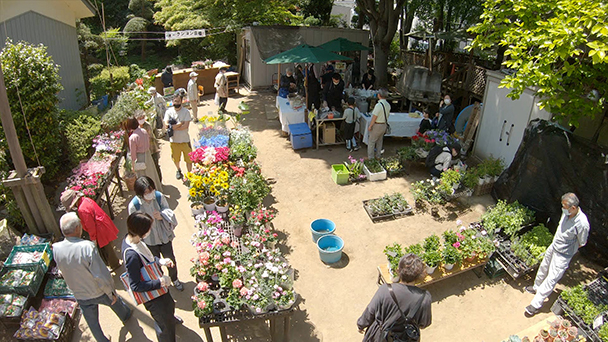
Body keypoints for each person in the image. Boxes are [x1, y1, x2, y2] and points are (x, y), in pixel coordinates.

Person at [53, 213, 132, 342]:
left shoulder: (56, 249)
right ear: (78, 228)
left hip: (80, 294)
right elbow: (100, 275)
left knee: (93, 324)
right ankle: (126, 315)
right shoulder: (87, 247)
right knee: (115, 302)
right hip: (98, 291)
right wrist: (110, 291)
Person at [525, 193, 590, 317]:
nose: (563, 208)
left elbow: (582, 242)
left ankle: (536, 304)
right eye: (562, 206)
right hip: (554, 246)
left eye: (565, 206)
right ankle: (536, 287)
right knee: (544, 266)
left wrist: (568, 250)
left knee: (551, 278)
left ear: (574, 208)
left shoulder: (582, 223)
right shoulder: (567, 213)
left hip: (563, 255)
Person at [122, 212, 180, 342]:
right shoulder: (131, 255)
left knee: (169, 305)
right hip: (153, 296)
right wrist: (160, 282)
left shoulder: (134, 240)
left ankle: (171, 318)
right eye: (148, 228)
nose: (150, 230)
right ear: (141, 231)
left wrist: (159, 261)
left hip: (160, 290)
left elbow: (146, 257)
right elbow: (135, 285)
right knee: (163, 324)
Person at [357, 254, 432, 342]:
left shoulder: (385, 290)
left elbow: (370, 312)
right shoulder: (424, 297)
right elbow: (424, 323)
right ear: (420, 275)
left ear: (398, 270)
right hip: (406, 338)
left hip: (379, 336)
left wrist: (361, 325)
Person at [128, 176, 182, 291]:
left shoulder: (158, 197)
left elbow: (168, 211)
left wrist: (161, 215)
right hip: (149, 241)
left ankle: (175, 279)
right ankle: (162, 281)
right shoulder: (134, 206)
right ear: (140, 193)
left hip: (164, 237)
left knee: (170, 259)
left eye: (151, 190)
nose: (150, 194)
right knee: (155, 263)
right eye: (147, 192)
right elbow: (134, 226)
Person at [60, 189, 121, 271]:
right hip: (102, 225)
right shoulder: (86, 200)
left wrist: (93, 239)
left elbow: (90, 226)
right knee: (108, 247)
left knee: (106, 250)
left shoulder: (82, 209)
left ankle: (114, 265)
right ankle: (114, 263)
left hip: (99, 230)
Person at [127, 117, 163, 192]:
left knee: (143, 177)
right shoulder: (144, 131)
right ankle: (156, 189)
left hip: (140, 157)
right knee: (152, 174)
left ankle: (147, 193)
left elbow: (133, 154)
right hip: (148, 154)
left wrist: (133, 166)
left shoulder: (132, 138)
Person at [164, 90, 192, 180]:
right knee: (176, 158)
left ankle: (189, 174)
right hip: (174, 140)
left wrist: (173, 127)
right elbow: (166, 125)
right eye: (175, 101)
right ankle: (178, 170)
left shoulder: (186, 112)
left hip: (185, 140)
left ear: (181, 101)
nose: (177, 103)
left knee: (189, 159)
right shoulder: (168, 112)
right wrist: (180, 124)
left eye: (178, 101)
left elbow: (186, 126)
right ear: (172, 102)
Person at [135, 110, 162, 183]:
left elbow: (147, 137)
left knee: (155, 165)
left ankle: (159, 181)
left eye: (142, 118)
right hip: (144, 151)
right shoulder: (136, 127)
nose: (141, 120)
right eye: (140, 118)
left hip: (152, 149)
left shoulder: (147, 126)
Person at [367, 88, 390, 159]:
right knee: (380, 141)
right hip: (384, 124)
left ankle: (370, 158)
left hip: (377, 125)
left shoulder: (378, 105)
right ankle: (378, 156)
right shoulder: (388, 105)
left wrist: (370, 125)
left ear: (379, 95)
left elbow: (374, 117)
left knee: (371, 142)